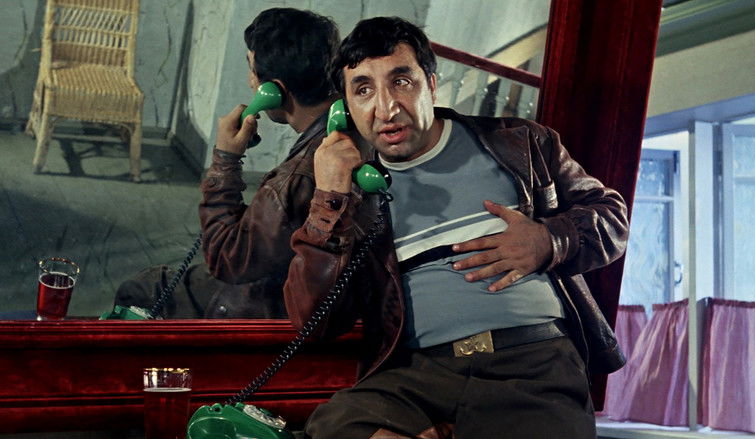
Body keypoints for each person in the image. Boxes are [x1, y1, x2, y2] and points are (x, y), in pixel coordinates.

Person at [284, 16, 629, 438]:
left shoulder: (521, 143)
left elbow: (611, 217)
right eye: (363, 90)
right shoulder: (351, 193)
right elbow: (314, 322)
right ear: (346, 109)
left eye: (401, 82)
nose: (386, 108)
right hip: (421, 374)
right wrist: (329, 200)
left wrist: (547, 240)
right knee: (334, 424)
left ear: (431, 85)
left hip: (532, 363)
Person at [114, 8, 341, 318]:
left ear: (273, 90)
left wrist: (225, 160)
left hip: (266, 304)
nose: (250, 81)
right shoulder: (345, 132)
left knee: (138, 290)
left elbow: (226, 258)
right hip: (289, 283)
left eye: (251, 69)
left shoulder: (295, 179)